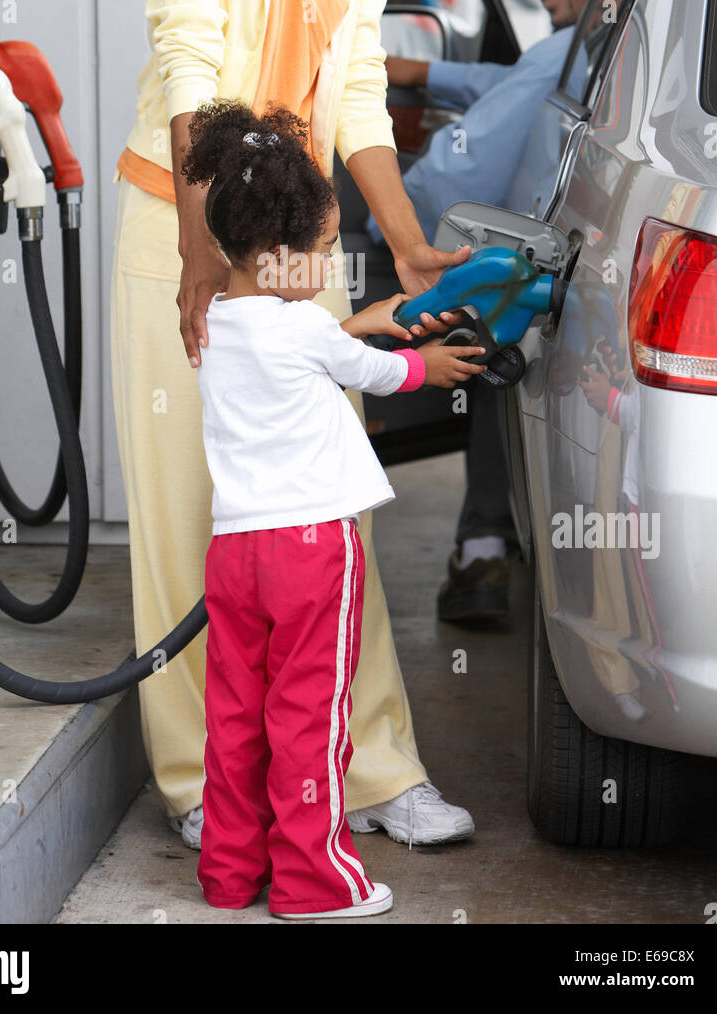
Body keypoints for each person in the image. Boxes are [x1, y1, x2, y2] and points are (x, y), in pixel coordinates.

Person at [109, 0, 479, 851]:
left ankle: (367, 769)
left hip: (294, 247)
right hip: (180, 227)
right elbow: (188, 54)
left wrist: (408, 240)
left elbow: (360, 84)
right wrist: (205, 248)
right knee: (188, 516)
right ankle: (200, 784)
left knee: (325, 511)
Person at [185, 102, 486, 919]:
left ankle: (230, 874)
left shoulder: (211, 321)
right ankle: (317, 885)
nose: (327, 265)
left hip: (236, 555)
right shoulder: (309, 330)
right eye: (321, 251)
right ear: (278, 257)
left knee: (237, 718)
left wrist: (365, 326)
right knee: (310, 717)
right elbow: (380, 374)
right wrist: (429, 363)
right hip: (313, 553)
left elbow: (304, 347)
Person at [367, 0, 636, 622]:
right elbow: (526, 78)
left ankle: (485, 552)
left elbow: (458, 170)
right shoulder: (629, 40)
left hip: (565, 274)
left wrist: (397, 232)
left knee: (493, 345)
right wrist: (427, 73)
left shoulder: (571, 49)